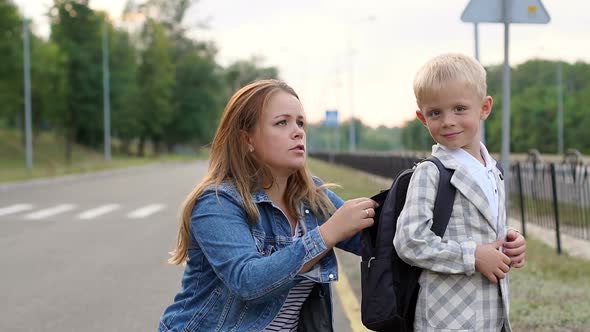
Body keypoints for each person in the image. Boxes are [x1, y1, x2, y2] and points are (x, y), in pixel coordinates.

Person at [158, 79, 377, 332]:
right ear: (247, 139)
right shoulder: (217, 203)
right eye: (281, 123)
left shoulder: (311, 197)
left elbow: (379, 241)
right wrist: (327, 234)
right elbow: (249, 281)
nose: (298, 132)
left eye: (300, 122)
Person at [393, 53, 527, 332]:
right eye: (435, 113)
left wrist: (511, 240)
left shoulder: (493, 169)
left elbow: (482, 228)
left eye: (459, 109)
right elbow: (409, 241)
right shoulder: (432, 172)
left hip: (492, 316)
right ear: (422, 117)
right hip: (447, 319)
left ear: (485, 108)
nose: (448, 121)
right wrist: (473, 257)